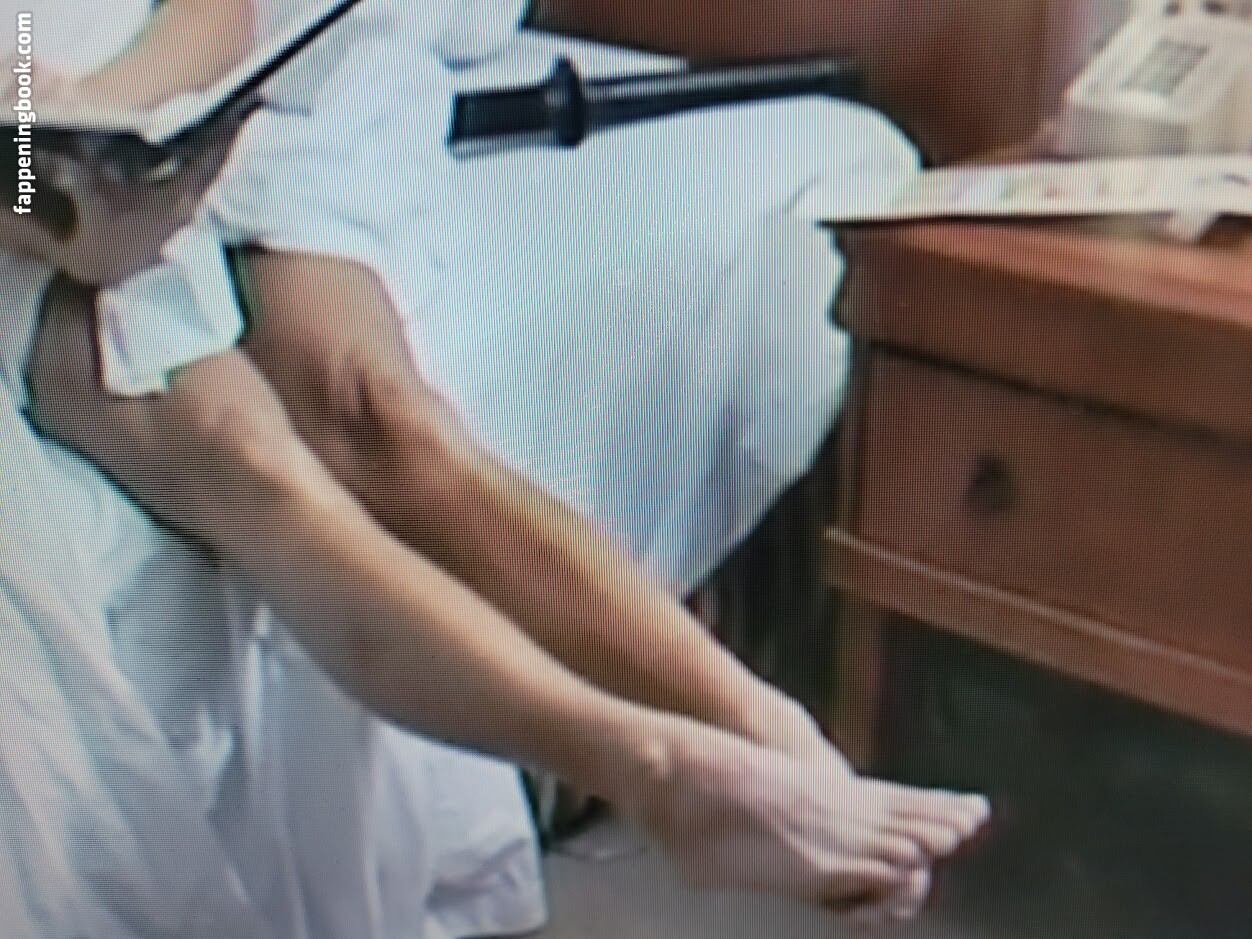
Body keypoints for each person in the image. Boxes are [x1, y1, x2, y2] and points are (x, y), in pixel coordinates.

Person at [9, 0, 990, 934]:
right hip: (34, 225)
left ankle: (766, 733)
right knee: (249, 461)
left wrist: (126, 116)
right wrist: (44, 187)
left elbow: (207, 14)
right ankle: (658, 767)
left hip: (154, 139)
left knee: (371, 417)